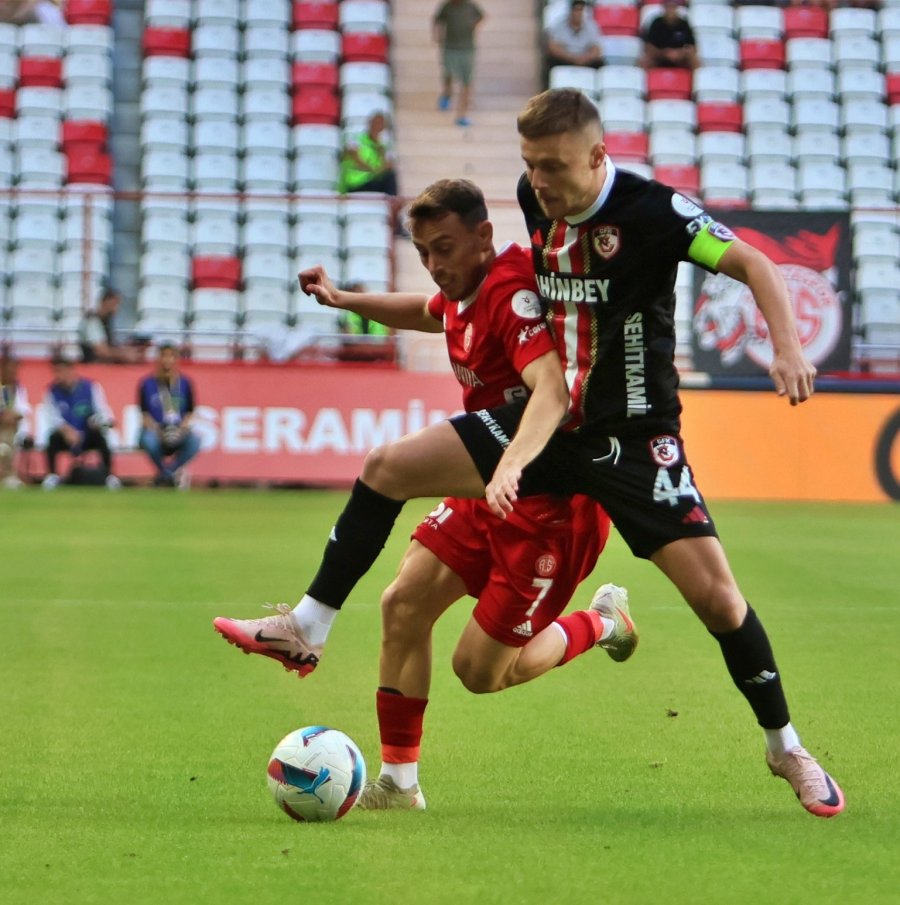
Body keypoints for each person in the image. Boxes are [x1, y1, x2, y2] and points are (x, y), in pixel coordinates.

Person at [212, 89, 843, 819]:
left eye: (552, 167)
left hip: (633, 438)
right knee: (388, 471)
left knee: (717, 598)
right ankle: (308, 628)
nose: (537, 184)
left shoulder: (654, 214)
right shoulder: (535, 201)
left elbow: (755, 266)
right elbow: (443, 312)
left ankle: (784, 745)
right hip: (543, 421)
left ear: (598, 157)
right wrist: (349, 299)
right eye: (529, 166)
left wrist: (788, 350)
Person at [215, 179, 637, 810]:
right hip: (484, 485)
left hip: (548, 505)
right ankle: (398, 783)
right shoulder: (460, 291)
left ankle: (602, 622)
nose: (436, 265)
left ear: (484, 237)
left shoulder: (509, 291)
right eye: (423, 252)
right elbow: (426, 312)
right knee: (403, 604)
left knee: (481, 671)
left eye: (445, 248)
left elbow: (548, 387)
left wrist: (516, 458)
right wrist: (340, 299)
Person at [42, 352, 120, 490]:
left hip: (87, 432)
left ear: (70, 370)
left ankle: (109, 476)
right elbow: (53, 417)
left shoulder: (91, 387)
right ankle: (52, 475)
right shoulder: (52, 391)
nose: (57, 375)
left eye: (60, 371)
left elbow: (101, 410)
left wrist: (101, 423)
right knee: (53, 439)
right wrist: (67, 431)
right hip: (66, 435)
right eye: (56, 372)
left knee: (100, 438)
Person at [137, 342, 200, 488]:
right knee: (147, 439)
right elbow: (144, 414)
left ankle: (168, 473)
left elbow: (189, 412)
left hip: (178, 429)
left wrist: (180, 430)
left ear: (176, 359)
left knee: (195, 441)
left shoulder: (185, 383)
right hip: (157, 429)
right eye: (163, 356)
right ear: (158, 359)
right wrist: (158, 431)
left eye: (171, 356)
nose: (167, 360)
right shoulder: (146, 383)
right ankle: (166, 473)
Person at [432, 0, 485, 127]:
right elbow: (437, 20)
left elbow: (481, 15)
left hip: (466, 48)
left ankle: (462, 114)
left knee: (466, 81)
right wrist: (437, 35)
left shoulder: (471, 6)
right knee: (448, 73)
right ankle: (447, 94)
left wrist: (473, 25)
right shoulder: (446, 7)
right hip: (450, 47)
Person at [79, 288, 145, 364]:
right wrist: (123, 355)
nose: (117, 308)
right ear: (106, 301)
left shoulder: (106, 322)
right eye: (115, 303)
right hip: (94, 368)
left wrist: (125, 350)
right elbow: (101, 351)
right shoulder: (92, 322)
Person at [544, 0, 604, 74]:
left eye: (580, 10)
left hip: (585, 59)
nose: (578, 13)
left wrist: (584, 58)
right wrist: (572, 58)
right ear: (570, 11)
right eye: (576, 10)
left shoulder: (592, 26)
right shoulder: (558, 25)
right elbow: (552, 47)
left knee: (600, 63)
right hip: (566, 58)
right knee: (550, 61)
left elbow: (597, 49)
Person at [0, 354, 32, 489]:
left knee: (12, 435)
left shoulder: (18, 389)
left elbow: (24, 410)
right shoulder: (2, 388)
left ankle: (9, 475)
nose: (12, 373)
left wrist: (13, 416)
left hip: (12, 428)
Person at [640, 0, 699, 71]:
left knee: (694, 60)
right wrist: (665, 53)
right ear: (664, 7)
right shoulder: (656, 22)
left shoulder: (684, 23)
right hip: (661, 56)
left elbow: (692, 47)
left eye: (673, 6)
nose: (670, 9)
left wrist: (679, 53)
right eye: (668, 6)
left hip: (680, 57)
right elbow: (649, 45)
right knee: (645, 60)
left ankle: (697, 81)